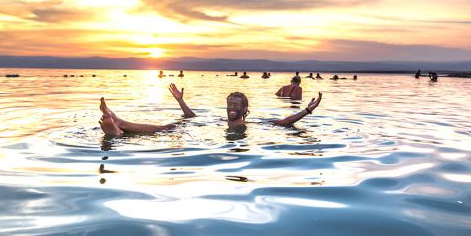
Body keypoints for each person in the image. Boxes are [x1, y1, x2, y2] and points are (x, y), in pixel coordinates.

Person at [99, 84, 322, 136]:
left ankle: (120, 126)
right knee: (169, 127)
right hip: (204, 132)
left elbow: (283, 123)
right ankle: (118, 127)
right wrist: (180, 101)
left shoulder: (251, 125)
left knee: (166, 130)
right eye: (229, 105)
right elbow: (192, 117)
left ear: (245, 109)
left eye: (236, 105)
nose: (231, 108)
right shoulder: (219, 123)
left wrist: (306, 111)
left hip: (207, 138)